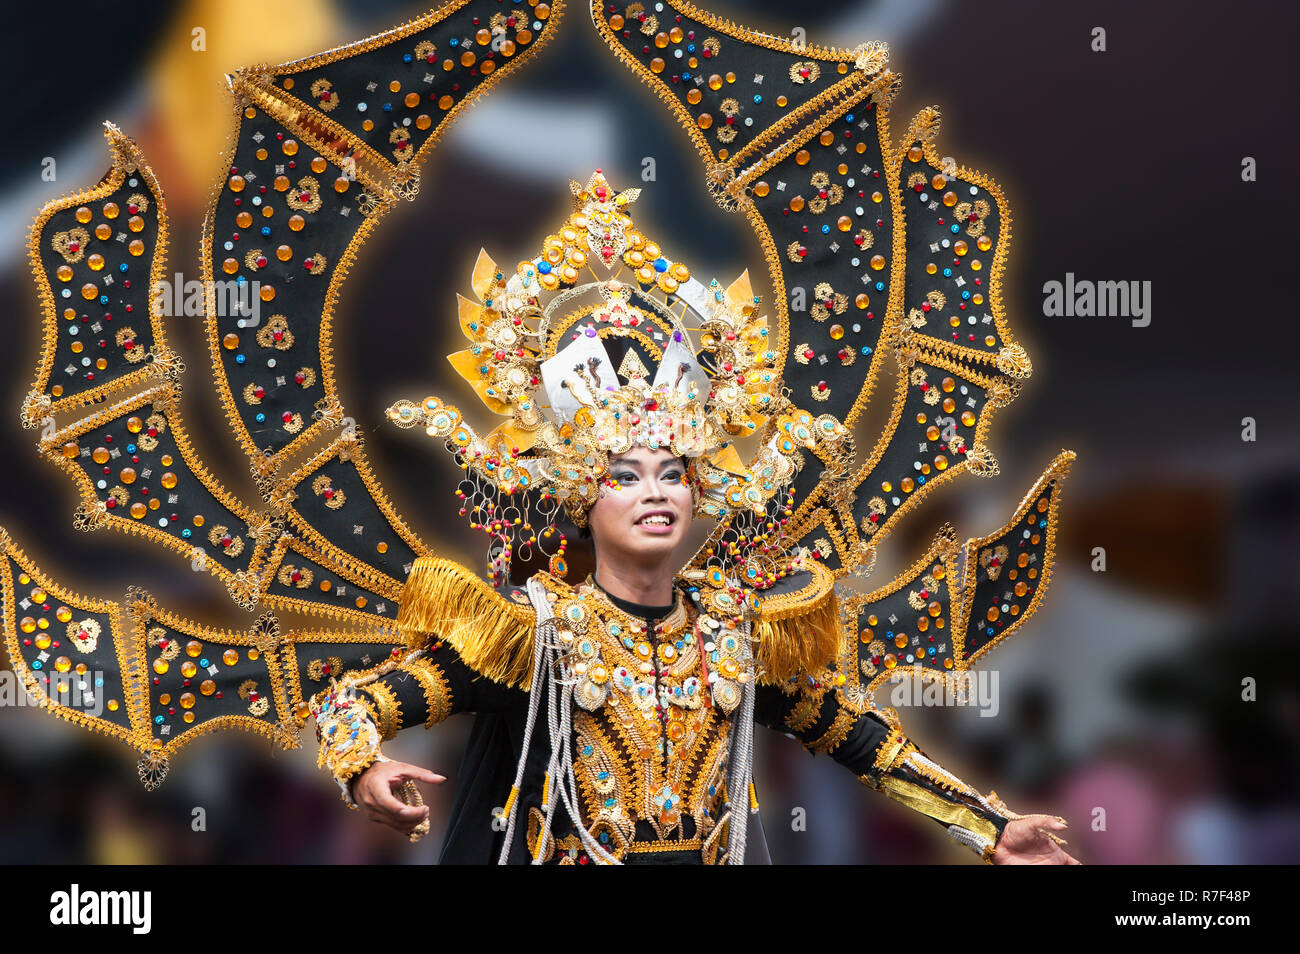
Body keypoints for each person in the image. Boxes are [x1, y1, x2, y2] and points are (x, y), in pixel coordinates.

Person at [306, 188, 1079, 862]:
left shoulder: (736, 632)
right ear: (583, 499)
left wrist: (988, 827)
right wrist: (363, 766)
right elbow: (356, 701)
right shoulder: (533, 637)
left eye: (675, 474)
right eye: (626, 475)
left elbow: (859, 739)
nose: (658, 492)